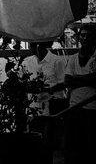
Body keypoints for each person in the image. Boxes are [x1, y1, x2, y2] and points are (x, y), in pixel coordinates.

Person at [63, 24, 96, 164]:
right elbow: (67, 80)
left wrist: (76, 79)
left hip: (92, 109)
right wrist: (88, 79)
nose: (85, 38)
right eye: (82, 35)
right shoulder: (73, 58)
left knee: (90, 147)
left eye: (88, 35)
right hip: (75, 107)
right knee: (74, 146)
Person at [22, 41, 67, 115]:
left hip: (53, 107)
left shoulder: (57, 61)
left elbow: (63, 83)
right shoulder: (27, 62)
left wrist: (46, 90)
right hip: (34, 108)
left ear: (38, 46)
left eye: (32, 45)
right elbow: (24, 83)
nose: (30, 48)